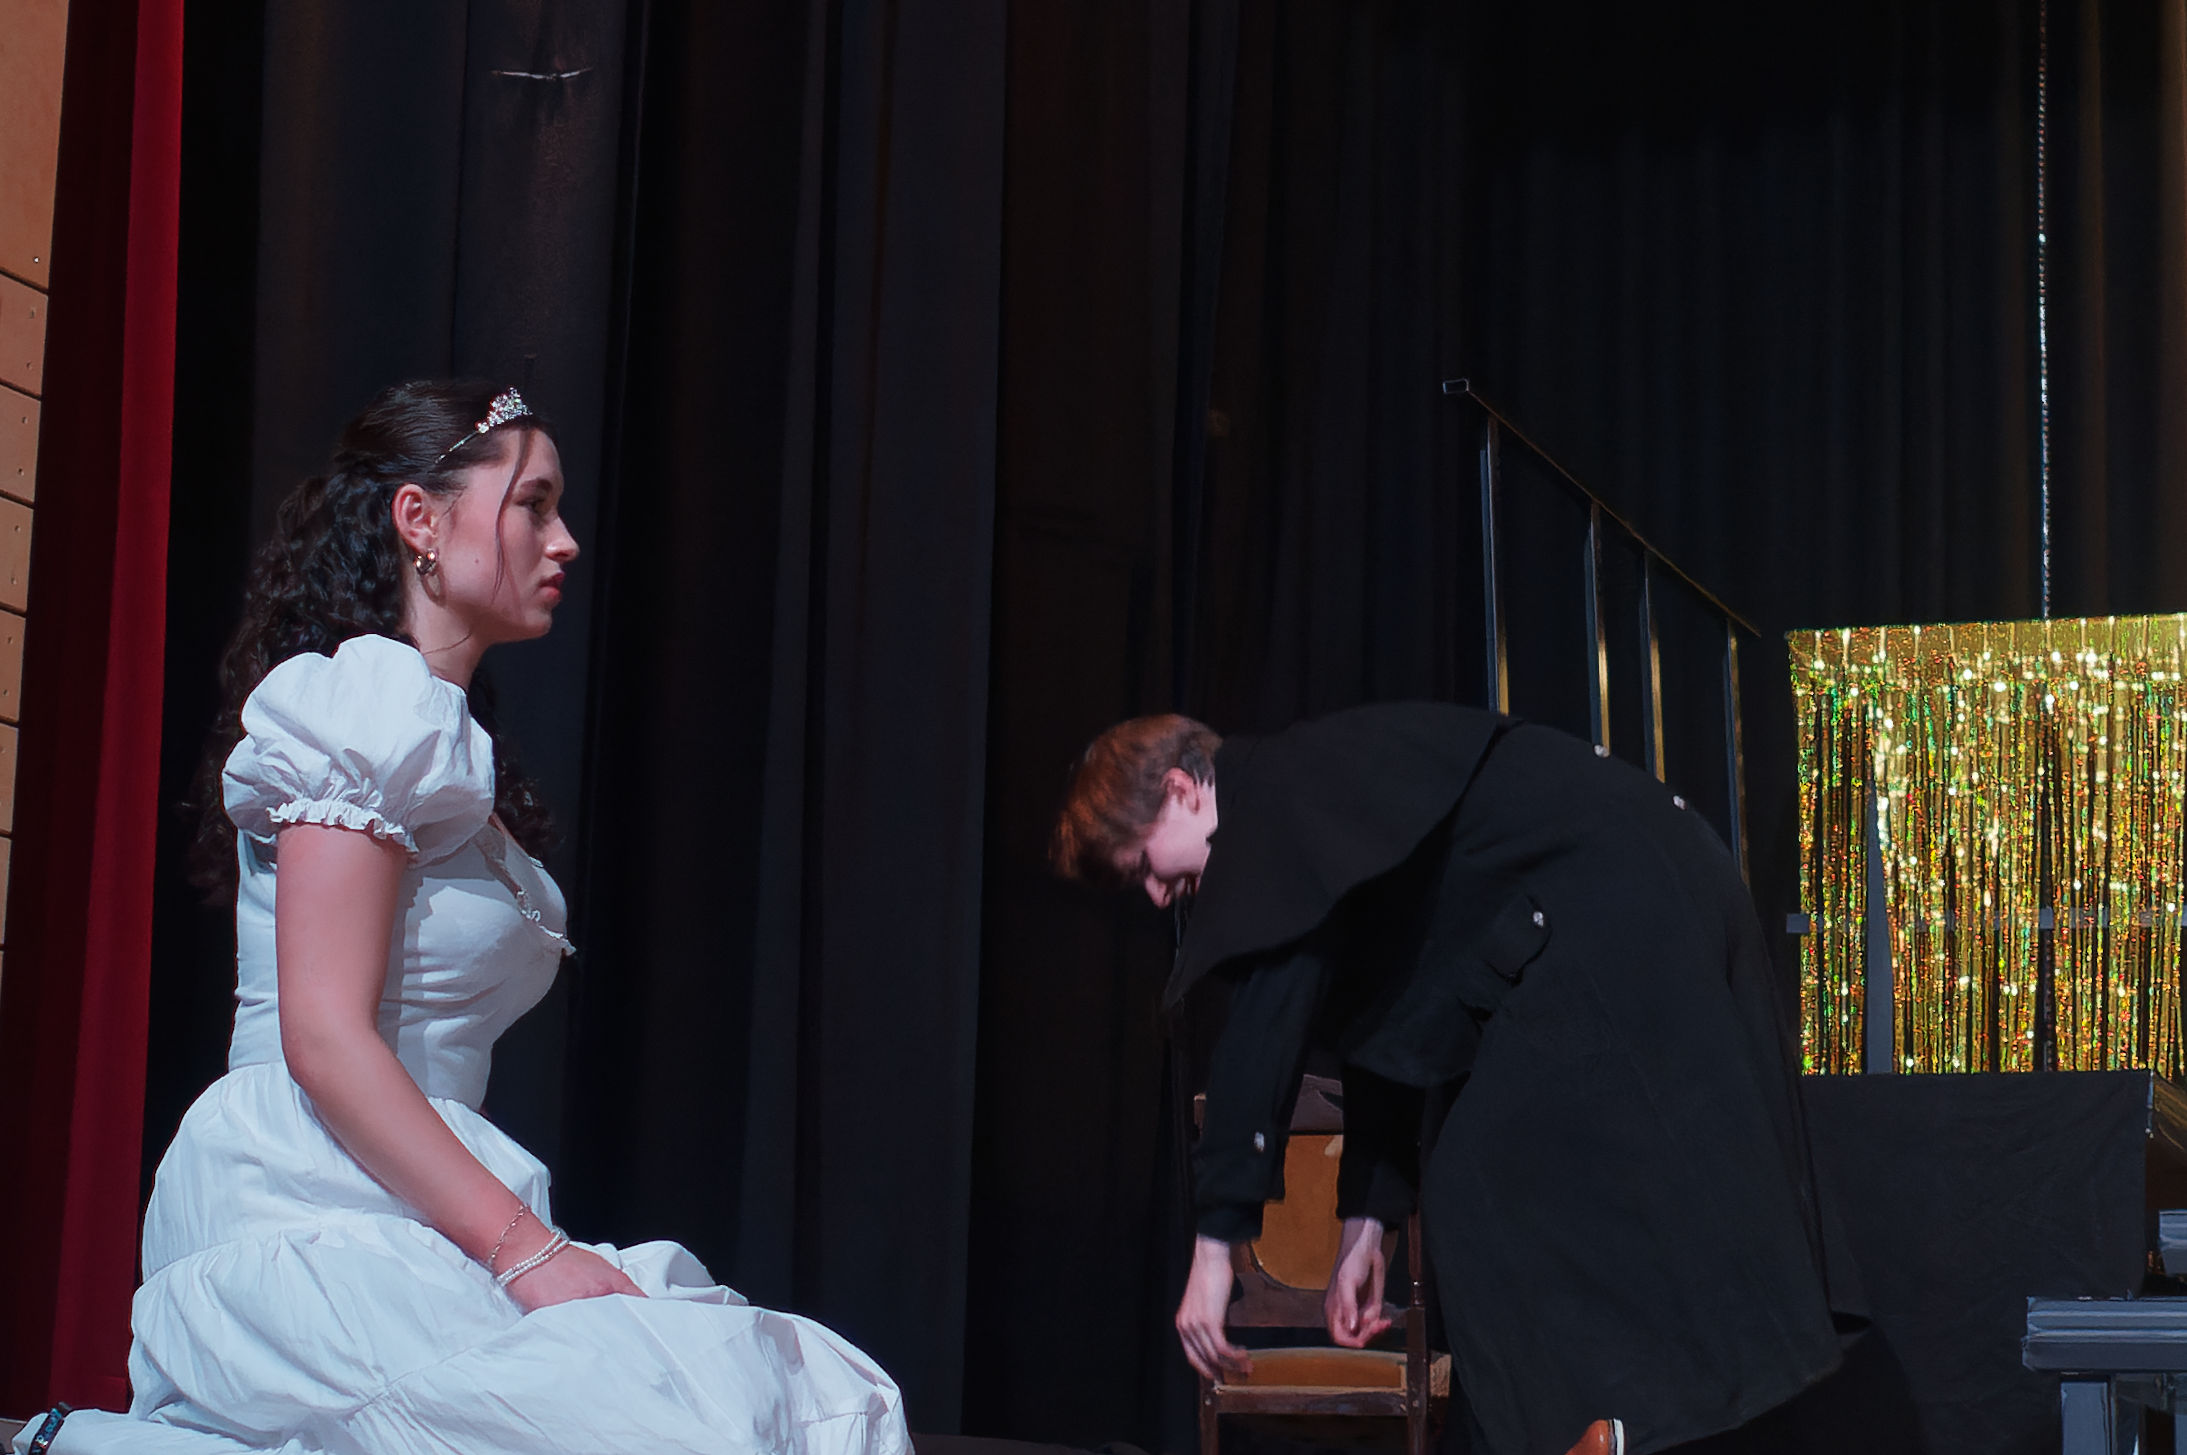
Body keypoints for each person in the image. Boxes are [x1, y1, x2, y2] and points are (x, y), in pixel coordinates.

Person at [21, 381, 908, 1455]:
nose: (564, 540)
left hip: (412, 1199)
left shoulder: (440, 741)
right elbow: (323, 1036)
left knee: (803, 1408)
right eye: (533, 504)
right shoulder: (366, 704)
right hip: (308, 1200)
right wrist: (527, 1252)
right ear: (420, 520)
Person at [1050, 705, 1851, 1455]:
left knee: (1494, 1173)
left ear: (1181, 789)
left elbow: (1265, 1020)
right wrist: (1367, 1223)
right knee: (1471, 1174)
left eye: (1143, 865)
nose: (1155, 893)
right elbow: (1394, 1020)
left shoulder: (1269, 799)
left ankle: (1607, 1422)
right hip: (1614, 893)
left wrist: (1215, 1249)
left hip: (1614, 894)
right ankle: (1596, 1424)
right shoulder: (1307, 816)